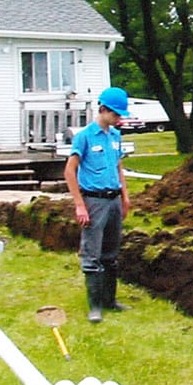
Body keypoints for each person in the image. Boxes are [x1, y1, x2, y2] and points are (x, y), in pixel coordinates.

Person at [64, 87, 132, 323]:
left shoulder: (115, 137)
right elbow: (70, 171)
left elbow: (118, 167)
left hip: (113, 200)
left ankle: (109, 301)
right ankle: (95, 307)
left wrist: (125, 196)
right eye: (116, 115)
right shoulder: (84, 137)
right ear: (103, 109)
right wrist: (80, 205)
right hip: (94, 201)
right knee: (92, 254)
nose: (118, 119)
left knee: (111, 254)